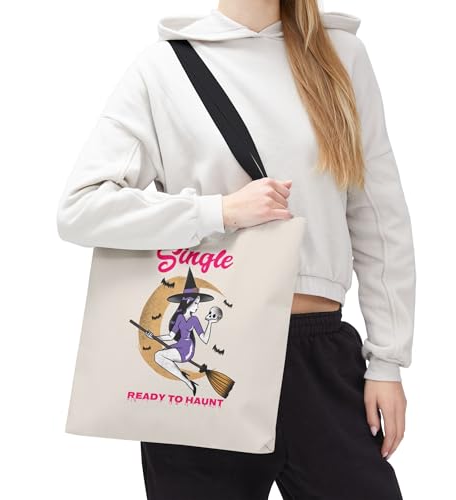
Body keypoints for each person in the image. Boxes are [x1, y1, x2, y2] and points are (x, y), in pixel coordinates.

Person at [56, 1, 416, 499]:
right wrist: (218, 211)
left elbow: (379, 218)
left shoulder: (340, 54)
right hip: (205, 362)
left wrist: (387, 361)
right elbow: (81, 208)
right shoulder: (163, 67)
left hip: (319, 353)